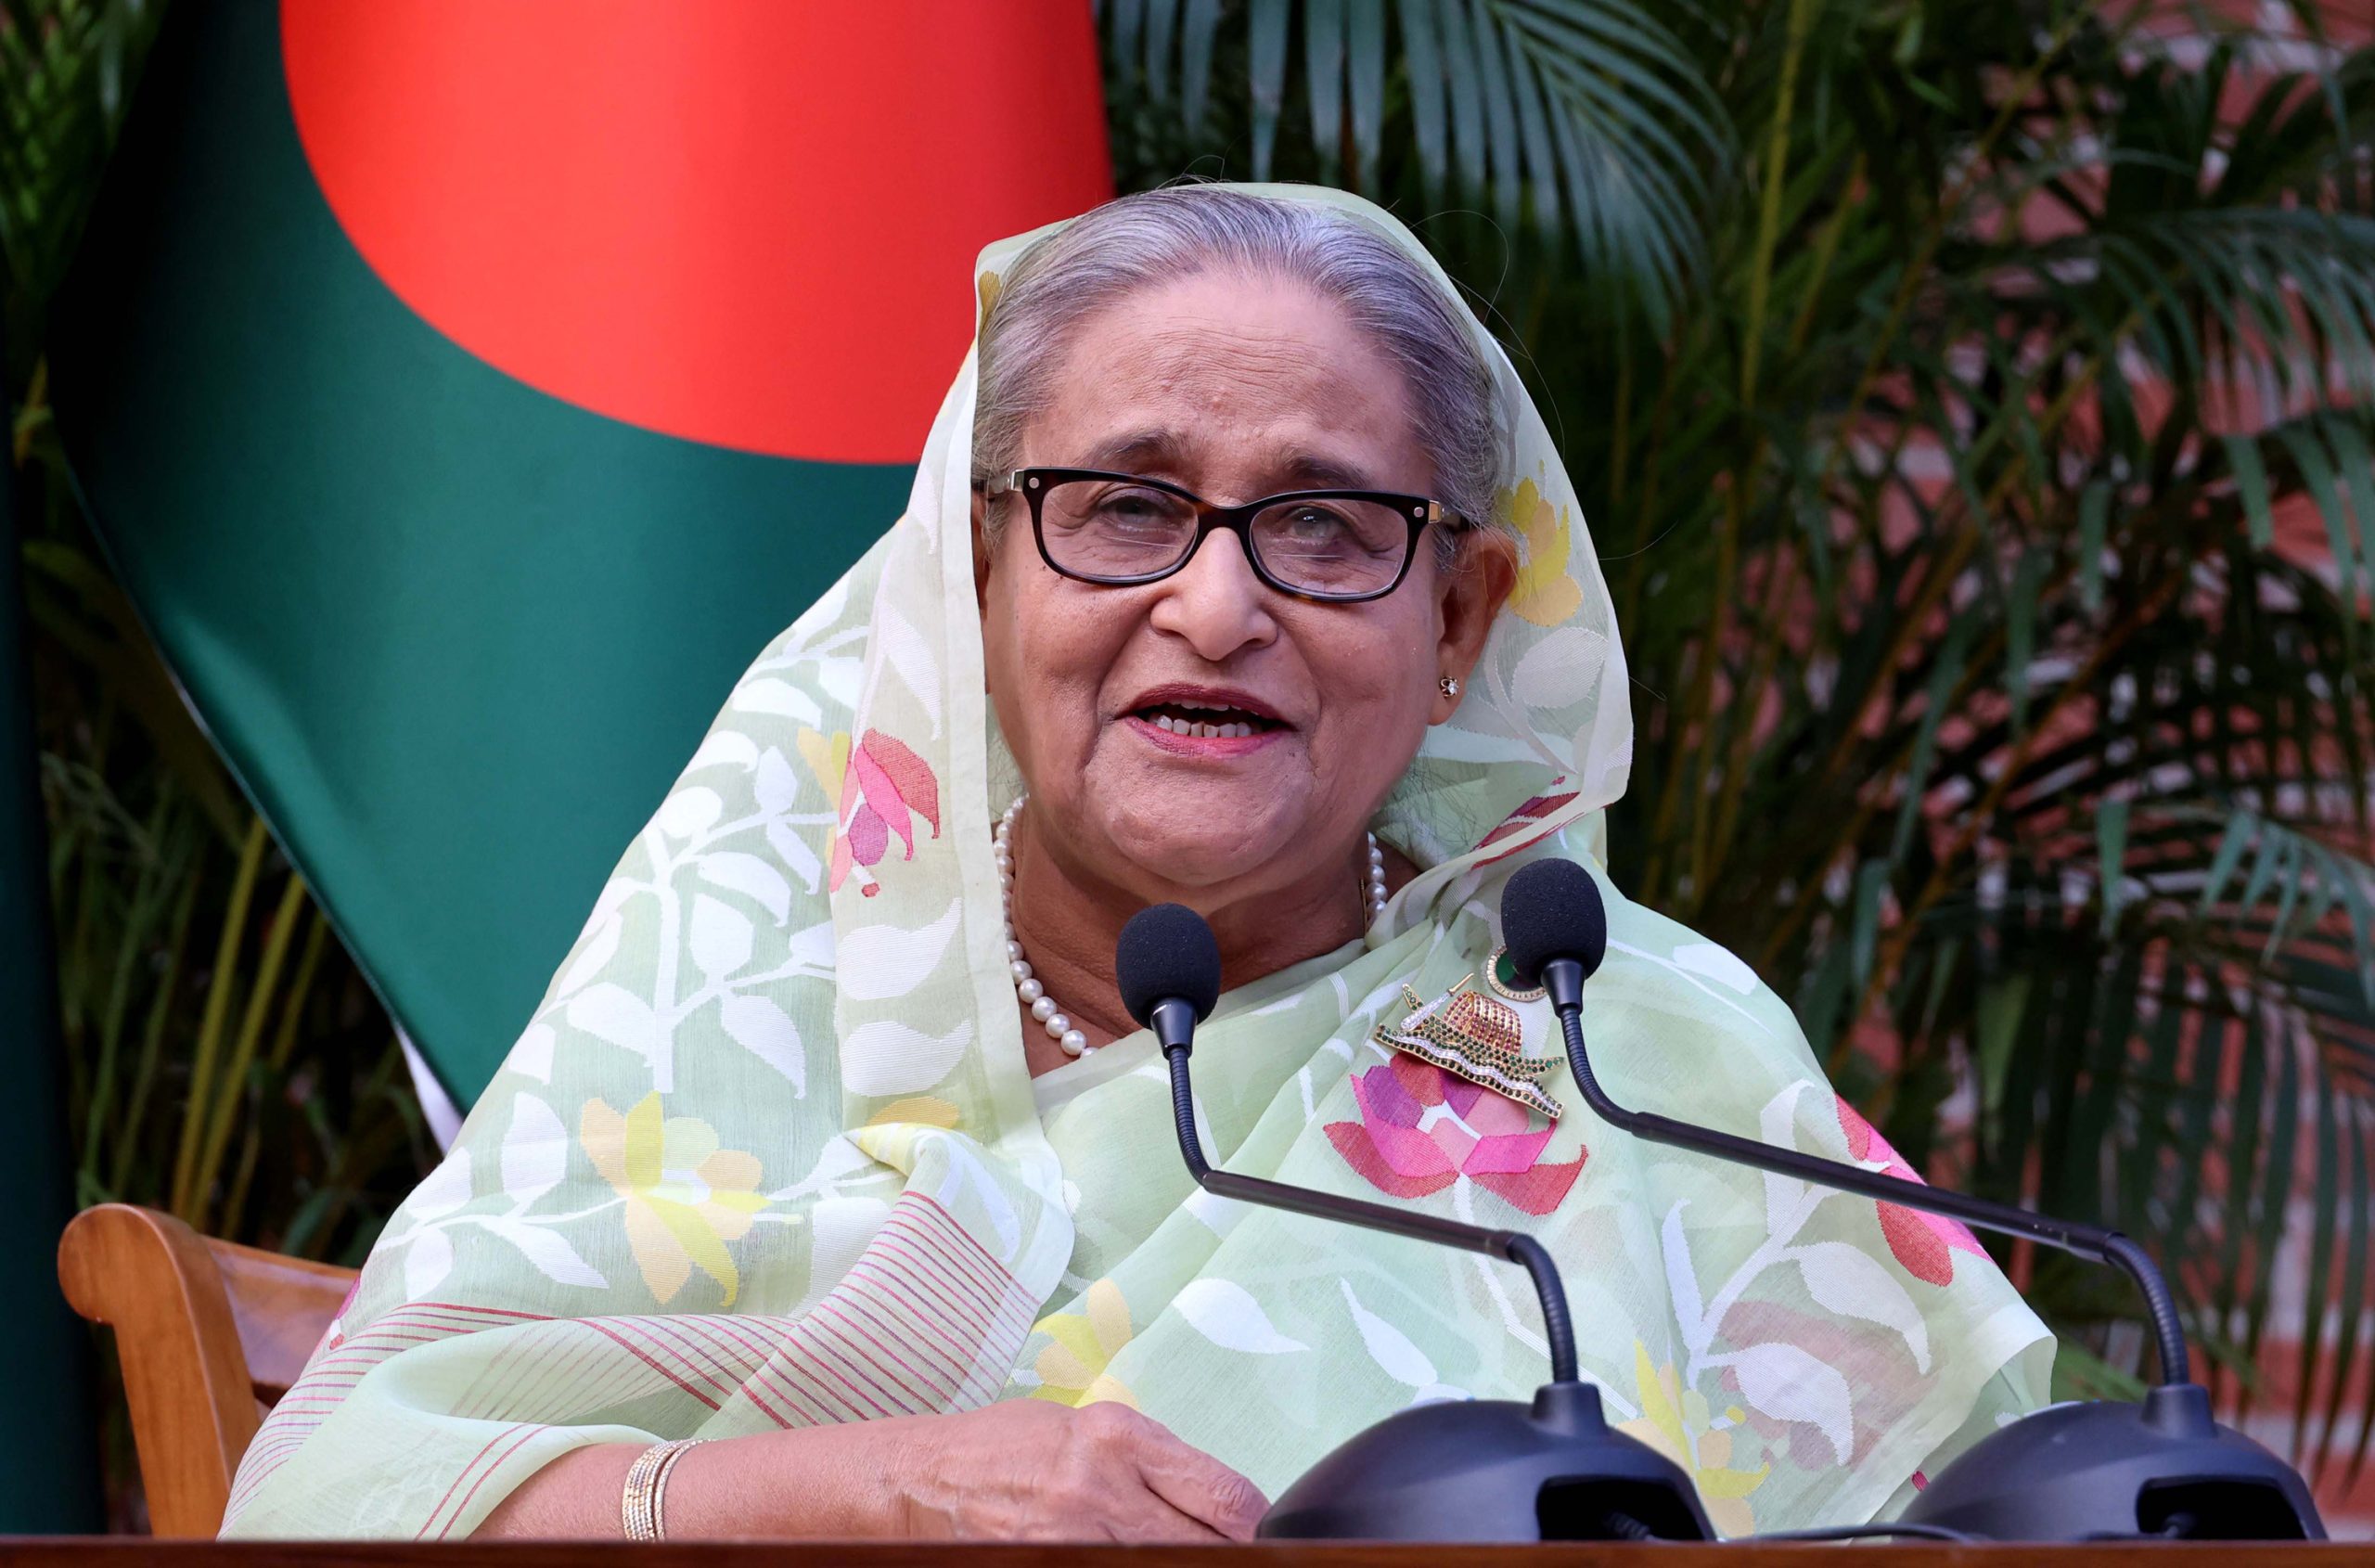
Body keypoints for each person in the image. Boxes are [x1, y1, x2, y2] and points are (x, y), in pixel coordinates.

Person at [220, 185, 2050, 1542]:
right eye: (1123, 506)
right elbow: (330, 1500)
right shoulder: (742, 970)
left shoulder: (1625, 1052)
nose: (1215, 602)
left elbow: (1963, 1516)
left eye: (1323, 524)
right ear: (976, 571)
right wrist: (865, 1487)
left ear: (1456, 621)